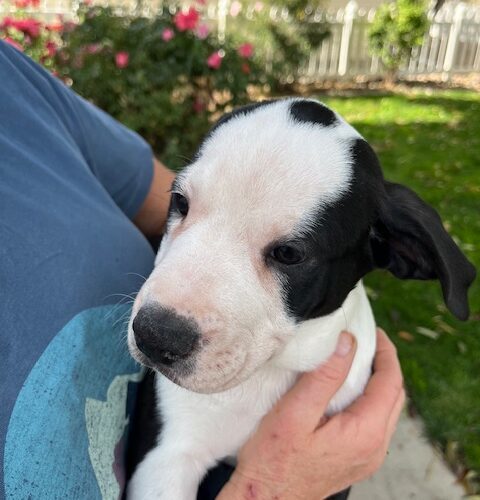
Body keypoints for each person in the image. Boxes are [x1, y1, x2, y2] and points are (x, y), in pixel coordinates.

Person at [0, 39, 404, 500]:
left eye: (286, 254)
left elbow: (157, 191)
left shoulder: (13, 83)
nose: (160, 323)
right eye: (184, 204)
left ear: (390, 249)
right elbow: (174, 458)